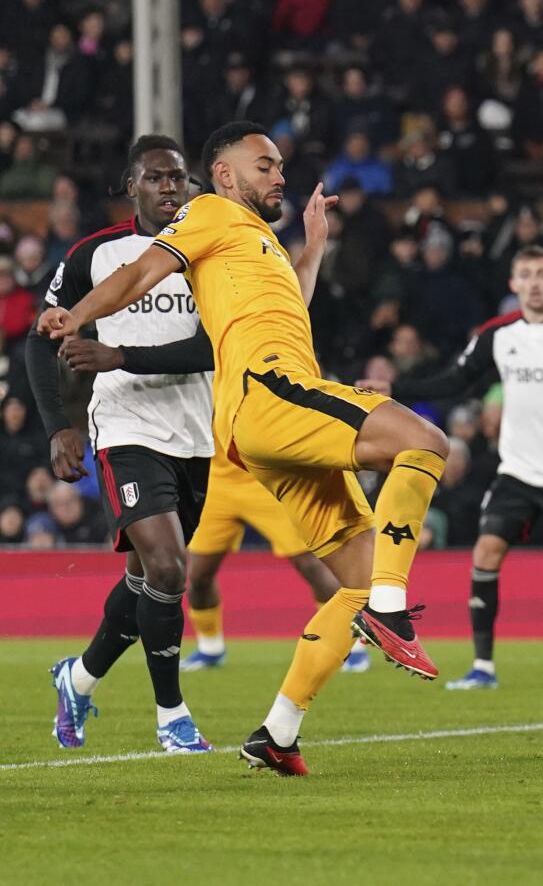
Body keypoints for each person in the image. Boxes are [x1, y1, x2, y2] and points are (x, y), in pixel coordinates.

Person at [35, 121, 450, 777]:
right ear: (226, 174)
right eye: (264, 165)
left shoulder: (257, 244)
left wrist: (311, 247)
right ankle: (391, 610)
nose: (279, 174)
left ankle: (278, 733)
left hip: (257, 418)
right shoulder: (208, 213)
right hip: (269, 395)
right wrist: (79, 314)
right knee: (425, 441)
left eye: (281, 165)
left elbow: (292, 306)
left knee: (355, 580)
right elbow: (143, 269)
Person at [25, 135, 214, 754]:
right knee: (167, 566)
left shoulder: (209, 252)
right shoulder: (95, 255)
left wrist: (118, 353)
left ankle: (78, 679)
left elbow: (215, 348)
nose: (169, 188)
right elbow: (40, 337)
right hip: (126, 428)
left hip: (198, 434)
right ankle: (172, 717)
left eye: (178, 179)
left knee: (144, 581)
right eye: (156, 178)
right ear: (131, 184)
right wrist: (57, 425)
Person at [359, 246, 543, 690]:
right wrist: (395, 388)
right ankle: (483, 667)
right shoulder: (498, 334)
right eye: (526, 275)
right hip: (516, 472)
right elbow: (455, 380)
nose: (535, 283)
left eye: (542, 274)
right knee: (485, 554)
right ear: (513, 285)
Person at [58, 334, 367, 674]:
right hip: (217, 478)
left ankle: (350, 644)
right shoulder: (200, 354)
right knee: (197, 573)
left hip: (262, 479)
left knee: (310, 564)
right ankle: (210, 647)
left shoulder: (260, 358)